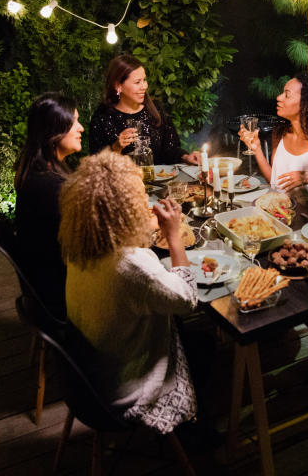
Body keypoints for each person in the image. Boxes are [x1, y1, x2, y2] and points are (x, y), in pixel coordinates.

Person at [57, 150, 198, 434]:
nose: (146, 202)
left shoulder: (82, 243)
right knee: (203, 345)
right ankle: (196, 435)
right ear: (124, 208)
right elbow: (187, 299)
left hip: (87, 374)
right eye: (140, 196)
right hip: (124, 391)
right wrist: (173, 235)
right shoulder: (131, 265)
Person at [13, 92, 83, 320]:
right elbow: (87, 240)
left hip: (50, 281)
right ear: (54, 131)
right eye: (73, 122)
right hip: (60, 293)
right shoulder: (49, 186)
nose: (81, 128)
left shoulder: (43, 170)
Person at [88, 54, 200, 165]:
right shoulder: (102, 118)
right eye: (137, 82)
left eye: (144, 80)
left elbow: (170, 150)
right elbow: (97, 165)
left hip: (159, 181)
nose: (144, 86)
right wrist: (116, 148)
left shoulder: (155, 109)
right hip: (123, 182)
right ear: (118, 86)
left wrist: (186, 157)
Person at [238, 72, 308, 195]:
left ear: (306, 105)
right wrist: (257, 148)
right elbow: (275, 183)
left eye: (287, 95)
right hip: (279, 211)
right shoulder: (280, 133)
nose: (279, 97)